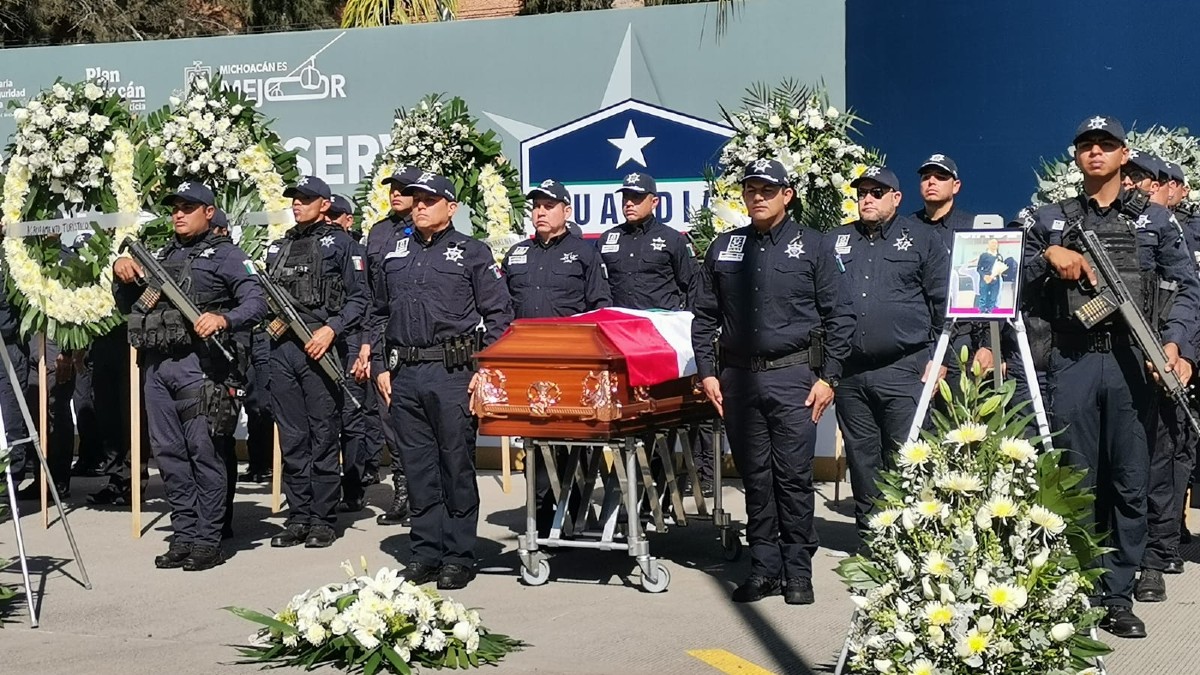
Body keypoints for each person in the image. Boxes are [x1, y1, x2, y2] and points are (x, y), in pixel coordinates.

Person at [1022, 116, 1200, 638]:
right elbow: (1010, 274)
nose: (1095, 152)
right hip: (1073, 359)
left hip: (1132, 363)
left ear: (1124, 155)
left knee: (1129, 480)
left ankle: (1118, 595)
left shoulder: (1157, 222)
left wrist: (1177, 343)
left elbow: (1187, 288)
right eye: (1086, 145)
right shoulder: (1052, 218)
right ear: (1077, 157)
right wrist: (1048, 256)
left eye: (1106, 145)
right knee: (1076, 480)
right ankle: (1075, 590)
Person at [693, 159, 853, 605]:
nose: (757, 197)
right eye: (750, 190)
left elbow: (839, 316)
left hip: (794, 378)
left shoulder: (815, 247)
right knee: (755, 478)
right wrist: (708, 372)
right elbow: (705, 315)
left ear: (788, 194)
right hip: (739, 380)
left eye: (767, 189)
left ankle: (798, 572)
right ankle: (763, 568)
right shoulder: (725, 248)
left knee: (793, 478)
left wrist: (830, 379)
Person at [113, 182, 266, 570]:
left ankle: (208, 539)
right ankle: (183, 534)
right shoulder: (160, 255)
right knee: (169, 454)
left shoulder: (228, 255)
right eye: (175, 207)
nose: (178, 214)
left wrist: (223, 318)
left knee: (204, 452)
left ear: (209, 212)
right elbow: (130, 306)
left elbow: (257, 301)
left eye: (188, 207)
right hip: (158, 366)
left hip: (202, 367)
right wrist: (121, 272)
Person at [373, 171, 513, 590]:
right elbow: (377, 312)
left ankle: (458, 555)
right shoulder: (393, 251)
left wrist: (484, 371)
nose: (419, 205)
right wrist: (381, 364)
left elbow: (500, 317)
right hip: (405, 374)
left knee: (455, 464)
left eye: (429, 200)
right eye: (416, 198)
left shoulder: (471, 252)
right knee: (416, 467)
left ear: (450, 208)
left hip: (453, 373)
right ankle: (425, 551)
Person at [827, 166, 949, 539]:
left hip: (905, 367)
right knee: (862, 457)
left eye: (876, 192)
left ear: (896, 198)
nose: (867, 198)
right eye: (862, 192)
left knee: (907, 455)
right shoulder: (835, 240)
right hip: (850, 372)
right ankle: (873, 536)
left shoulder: (922, 239)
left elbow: (944, 303)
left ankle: (913, 538)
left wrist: (941, 356)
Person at [502, 178, 611, 536]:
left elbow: (600, 309)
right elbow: (502, 311)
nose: (540, 212)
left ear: (566, 211)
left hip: (570, 367)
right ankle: (543, 520)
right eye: (536, 206)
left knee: (572, 444)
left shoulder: (584, 253)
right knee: (533, 447)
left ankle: (578, 516)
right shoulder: (517, 254)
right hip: (527, 369)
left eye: (549, 206)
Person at [266, 175, 369, 548]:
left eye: (307, 199)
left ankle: (323, 518)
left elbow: (360, 299)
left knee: (323, 435)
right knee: (292, 438)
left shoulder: (344, 245)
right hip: (284, 348)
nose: (298, 204)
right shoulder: (278, 247)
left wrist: (332, 330)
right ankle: (298, 516)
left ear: (325, 204)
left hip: (322, 346)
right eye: (295, 198)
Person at [598, 173, 712, 496]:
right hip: (621, 348)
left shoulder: (673, 240)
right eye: (625, 198)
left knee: (664, 422)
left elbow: (692, 289)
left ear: (655, 201)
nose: (629, 203)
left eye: (636, 197)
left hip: (659, 347)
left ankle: (666, 484)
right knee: (626, 424)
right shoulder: (607, 240)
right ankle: (626, 489)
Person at [364, 166, 420, 526]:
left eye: (403, 189)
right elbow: (370, 293)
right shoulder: (379, 232)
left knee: (417, 419)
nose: (395, 194)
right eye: (392, 188)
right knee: (389, 416)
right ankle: (402, 490)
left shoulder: (428, 231)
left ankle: (423, 495)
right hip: (383, 330)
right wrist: (367, 342)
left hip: (417, 330)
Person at [975, 238, 1003, 313]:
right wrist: (984, 276)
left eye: (996, 243)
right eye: (992, 243)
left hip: (995, 280)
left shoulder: (999, 256)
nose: (994, 245)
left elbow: (1001, 267)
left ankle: (991, 312)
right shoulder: (984, 255)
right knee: (983, 297)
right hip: (985, 279)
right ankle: (982, 313)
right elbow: (978, 268)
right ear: (988, 244)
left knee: (993, 298)